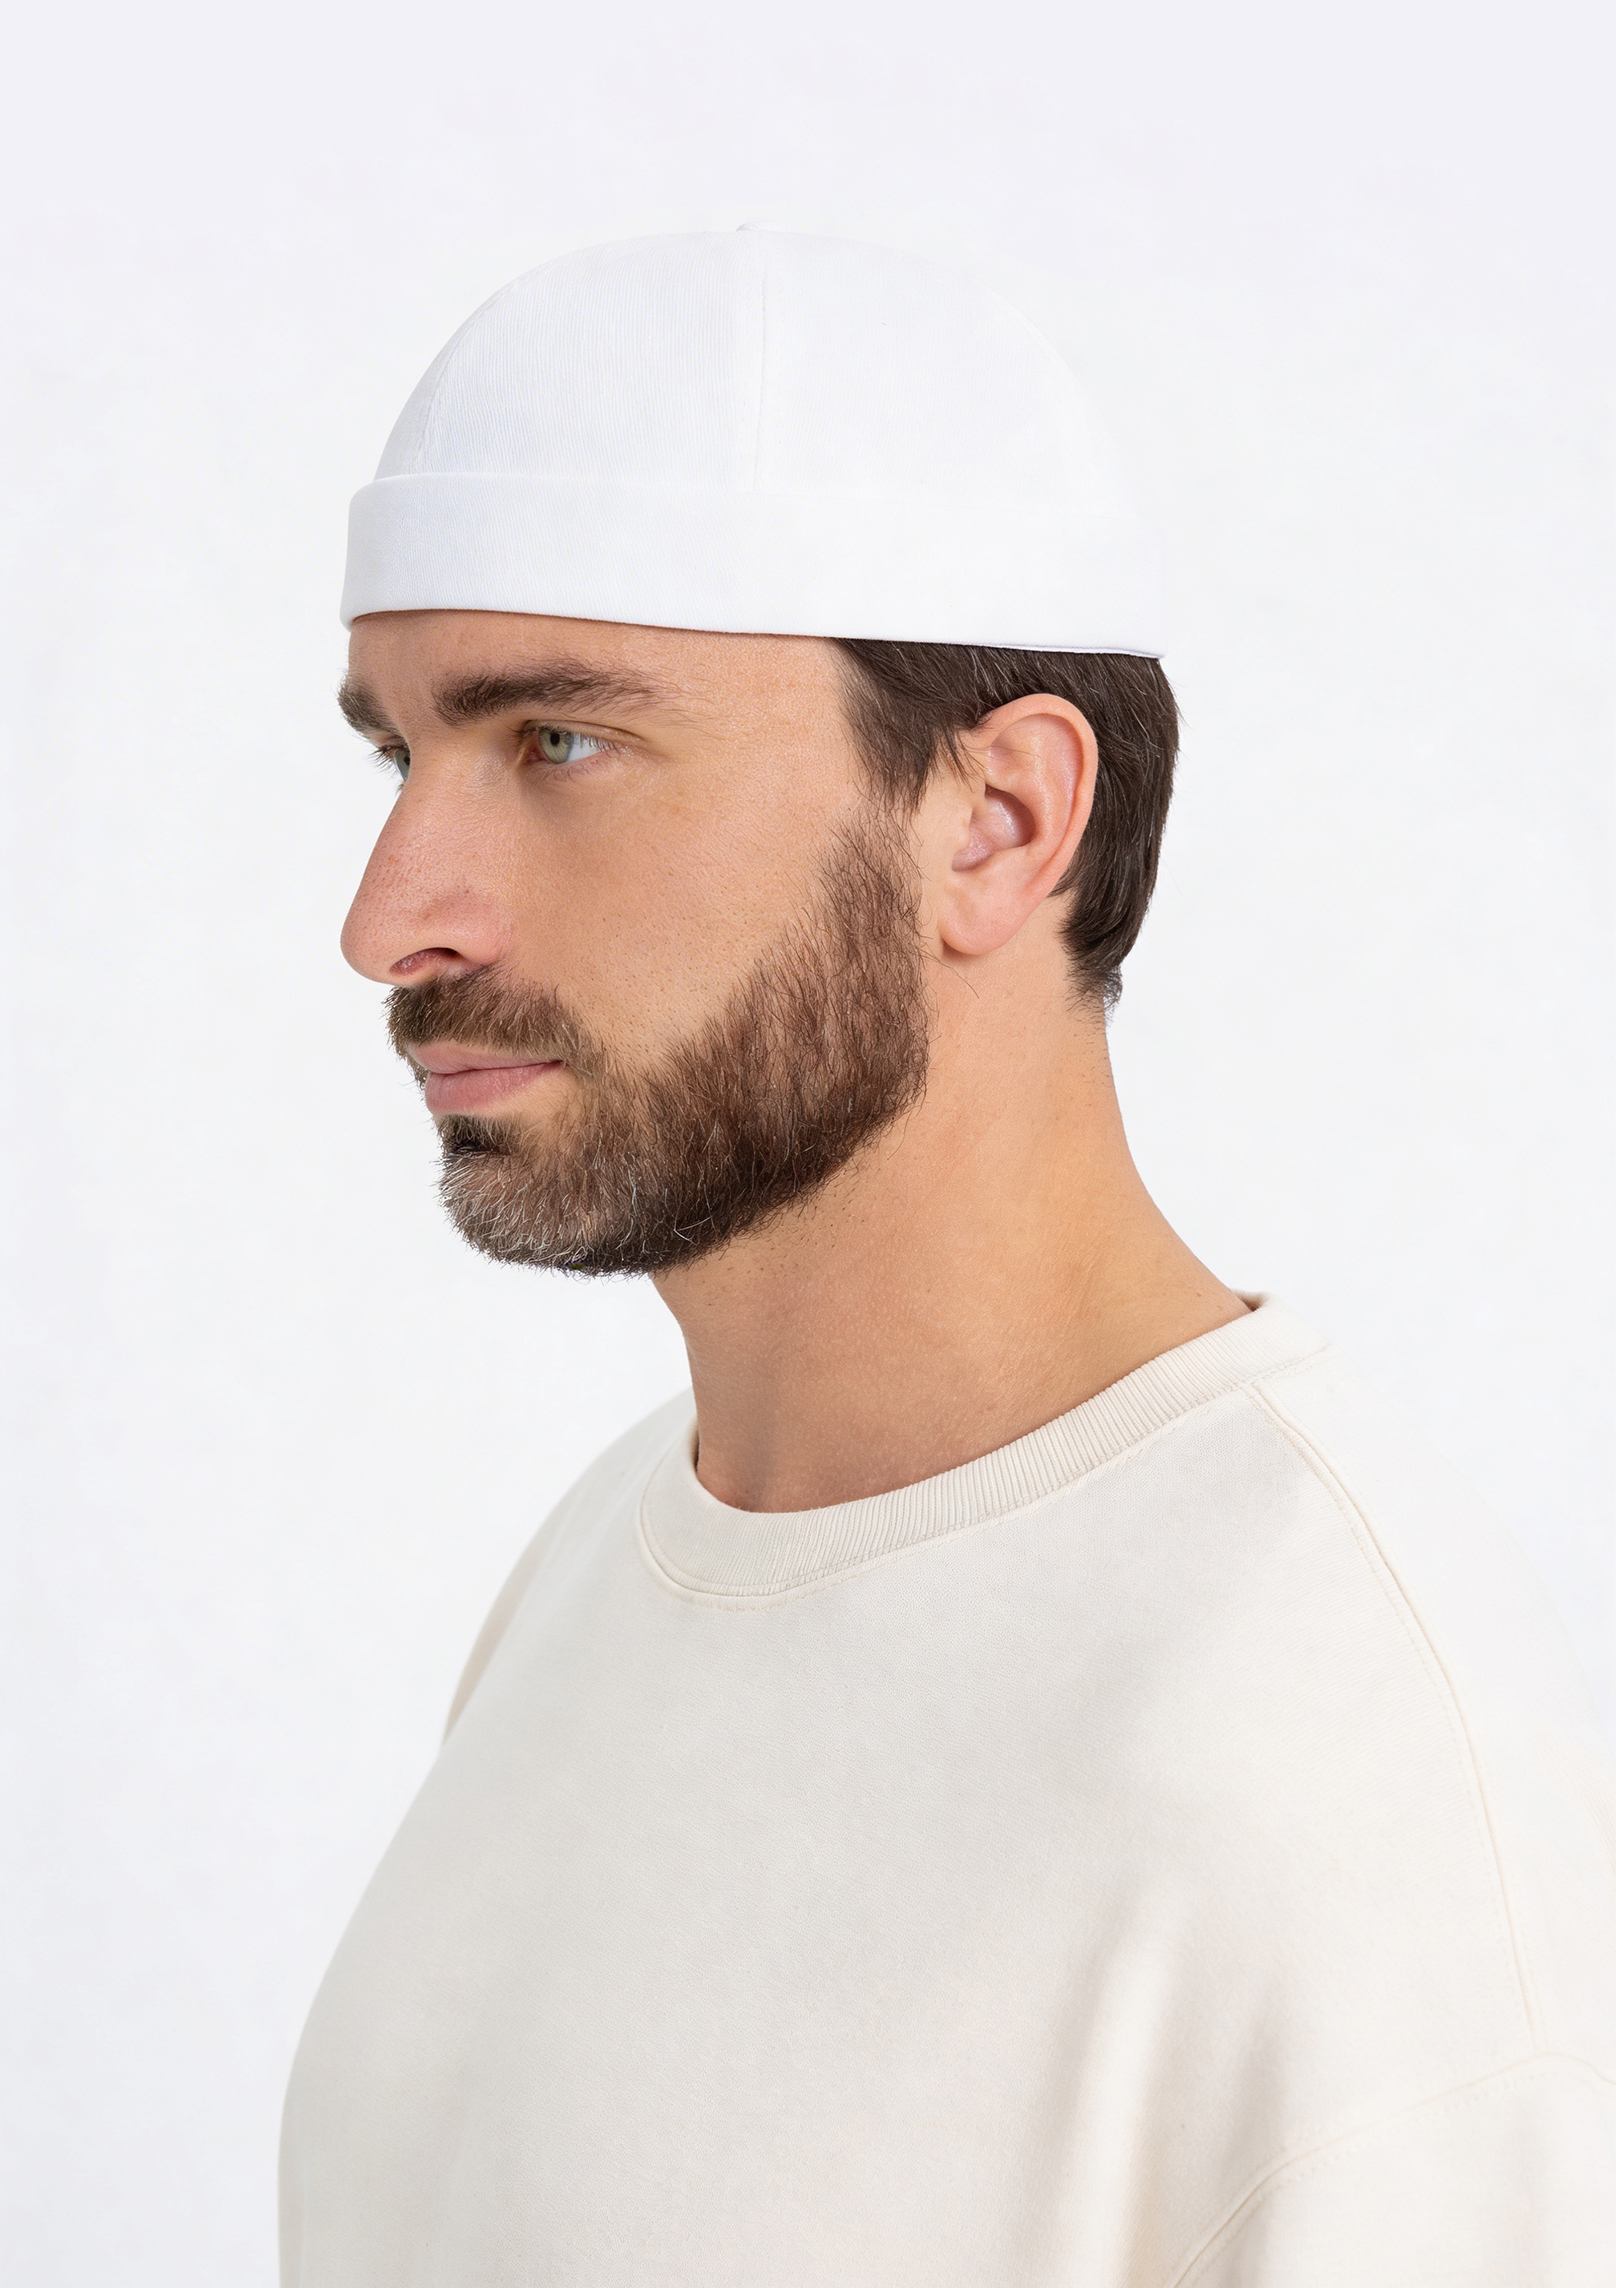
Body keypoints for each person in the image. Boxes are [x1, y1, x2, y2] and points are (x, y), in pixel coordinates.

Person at [280, 230, 1616, 2286]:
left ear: (995, 819)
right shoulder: (614, 1562)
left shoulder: (1358, 1782)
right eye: (400, 754)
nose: (392, 919)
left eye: (555, 742)